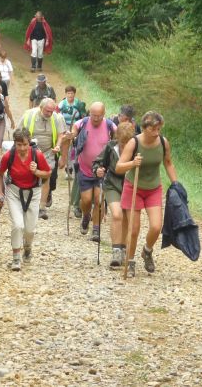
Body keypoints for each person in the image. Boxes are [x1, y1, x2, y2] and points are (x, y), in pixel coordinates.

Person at [114, 111, 178, 277]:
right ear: (144, 128)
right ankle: (130, 261)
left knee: (156, 226)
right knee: (134, 229)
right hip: (133, 188)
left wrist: (176, 184)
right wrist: (132, 163)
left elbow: (168, 163)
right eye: (153, 129)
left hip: (153, 188)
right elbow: (119, 167)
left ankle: (147, 251)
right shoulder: (133, 143)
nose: (157, 132)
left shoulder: (163, 142)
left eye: (159, 129)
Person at [0, 128, 52, 271]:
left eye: (25, 144)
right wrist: (0, 193)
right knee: (18, 225)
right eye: (19, 145)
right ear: (14, 143)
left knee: (30, 230)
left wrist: (36, 171)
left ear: (29, 142)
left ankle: (27, 246)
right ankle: (16, 258)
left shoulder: (37, 155)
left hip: (33, 192)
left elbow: (47, 173)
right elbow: (0, 174)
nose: (22, 148)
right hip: (14, 191)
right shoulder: (9, 156)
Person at [69, 102, 116, 242]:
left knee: (99, 200)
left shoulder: (109, 125)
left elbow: (119, 135)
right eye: (93, 115)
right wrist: (71, 135)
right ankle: (85, 215)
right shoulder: (83, 122)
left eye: (99, 116)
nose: (95, 118)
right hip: (85, 168)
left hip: (102, 170)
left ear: (104, 114)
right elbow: (74, 128)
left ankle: (96, 229)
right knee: (86, 200)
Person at [92, 122, 135, 268]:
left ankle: (123, 248)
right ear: (118, 139)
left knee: (126, 219)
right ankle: (116, 251)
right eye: (122, 142)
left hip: (130, 185)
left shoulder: (137, 148)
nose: (125, 145)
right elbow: (98, 163)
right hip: (112, 184)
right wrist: (98, 170)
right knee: (117, 215)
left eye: (128, 142)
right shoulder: (111, 147)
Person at [16, 98, 68, 220]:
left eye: (51, 111)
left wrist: (58, 146)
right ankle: (26, 202)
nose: (49, 114)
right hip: (30, 150)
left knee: (46, 176)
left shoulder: (57, 118)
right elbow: (18, 133)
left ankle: (42, 207)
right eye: (47, 111)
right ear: (40, 108)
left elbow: (61, 135)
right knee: (28, 175)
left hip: (48, 152)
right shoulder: (28, 115)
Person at [58, 86, 87, 218]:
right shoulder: (61, 104)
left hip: (76, 131)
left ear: (74, 94)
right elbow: (57, 116)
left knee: (74, 151)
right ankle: (68, 168)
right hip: (64, 130)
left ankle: (73, 167)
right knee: (66, 151)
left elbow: (83, 116)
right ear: (66, 94)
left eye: (72, 93)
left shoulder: (79, 104)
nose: (70, 95)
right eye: (68, 93)